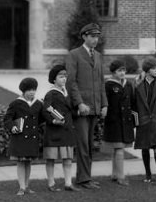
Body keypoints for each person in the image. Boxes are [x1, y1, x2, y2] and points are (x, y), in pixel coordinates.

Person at [65, 22, 108, 189]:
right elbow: (71, 82)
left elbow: (101, 82)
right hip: (81, 109)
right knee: (82, 144)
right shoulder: (74, 55)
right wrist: (79, 103)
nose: (95, 39)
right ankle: (83, 179)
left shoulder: (98, 56)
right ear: (84, 37)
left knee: (90, 144)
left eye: (97, 36)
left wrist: (104, 104)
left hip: (95, 108)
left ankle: (86, 177)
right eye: (92, 36)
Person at [132, 55, 156, 182]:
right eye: (154, 68)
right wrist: (135, 120)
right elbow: (134, 103)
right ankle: (148, 175)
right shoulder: (138, 84)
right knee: (145, 147)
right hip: (143, 120)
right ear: (147, 70)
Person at [4, 76, 44, 196]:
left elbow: (41, 119)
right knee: (21, 162)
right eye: (29, 90)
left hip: (32, 137)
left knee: (28, 162)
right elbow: (7, 119)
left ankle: (27, 186)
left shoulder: (38, 104)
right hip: (20, 137)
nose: (32, 92)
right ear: (23, 91)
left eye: (34, 90)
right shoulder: (16, 103)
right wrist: (12, 127)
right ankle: (21, 187)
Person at [42, 63, 77, 191]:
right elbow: (46, 110)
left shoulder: (66, 93)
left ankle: (68, 183)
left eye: (65, 76)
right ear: (54, 78)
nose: (64, 79)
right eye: (61, 76)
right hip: (54, 131)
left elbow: (70, 110)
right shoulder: (51, 93)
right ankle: (51, 183)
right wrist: (53, 121)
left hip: (66, 130)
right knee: (51, 159)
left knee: (67, 158)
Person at [103, 59, 135, 185]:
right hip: (114, 121)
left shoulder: (128, 85)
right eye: (119, 70)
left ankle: (115, 174)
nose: (122, 73)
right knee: (119, 148)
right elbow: (105, 102)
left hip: (125, 121)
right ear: (113, 72)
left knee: (118, 148)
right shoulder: (109, 85)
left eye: (123, 70)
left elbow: (131, 102)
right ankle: (120, 177)